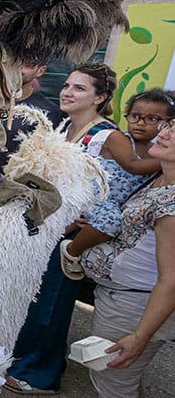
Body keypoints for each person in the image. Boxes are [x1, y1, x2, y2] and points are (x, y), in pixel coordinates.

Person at [52, 116, 175, 398]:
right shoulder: (159, 181)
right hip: (123, 295)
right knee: (120, 374)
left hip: (136, 303)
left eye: (173, 130)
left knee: (115, 374)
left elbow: (171, 280)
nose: (163, 131)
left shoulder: (172, 203)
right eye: (167, 124)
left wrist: (140, 335)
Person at [4, 63, 121, 395]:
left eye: (79, 88)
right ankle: (21, 360)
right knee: (34, 300)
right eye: (67, 85)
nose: (67, 92)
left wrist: (84, 219)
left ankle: (41, 375)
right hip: (48, 226)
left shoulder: (107, 136)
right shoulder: (64, 125)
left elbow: (115, 187)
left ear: (101, 97)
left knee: (52, 305)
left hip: (73, 237)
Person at [60, 89, 172, 278]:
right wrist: (169, 159)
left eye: (152, 119)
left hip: (113, 204)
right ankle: (71, 251)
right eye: (135, 116)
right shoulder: (116, 137)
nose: (141, 123)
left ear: (167, 124)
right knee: (111, 222)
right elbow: (133, 166)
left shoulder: (156, 150)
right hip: (96, 196)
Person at [0, 60, 63, 173]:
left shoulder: (47, 112)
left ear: (40, 70)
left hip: (8, 184)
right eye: (14, 61)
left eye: (28, 64)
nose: (19, 68)